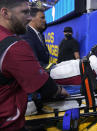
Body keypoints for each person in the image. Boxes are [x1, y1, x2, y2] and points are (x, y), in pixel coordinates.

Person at [0, 1, 69, 130]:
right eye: (24, 12)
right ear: (5, 13)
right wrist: (60, 91)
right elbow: (44, 86)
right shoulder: (14, 46)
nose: (29, 18)